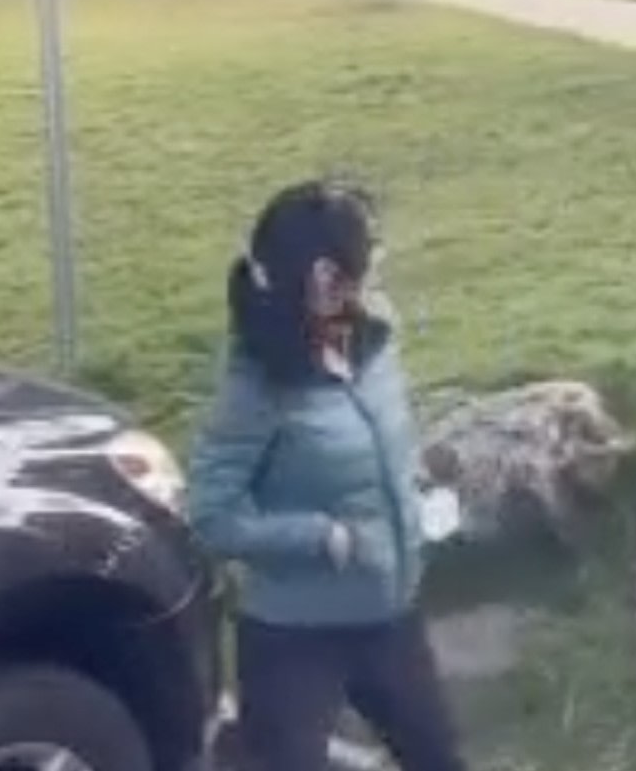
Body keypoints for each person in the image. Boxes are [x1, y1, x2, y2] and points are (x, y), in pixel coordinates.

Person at [186, 180, 467, 771]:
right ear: (322, 279)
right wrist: (320, 536)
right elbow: (211, 515)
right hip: (295, 637)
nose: (378, 270)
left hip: (391, 613)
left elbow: (379, 437)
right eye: (368, 259)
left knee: (439, 759)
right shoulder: (254, 385)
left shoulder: (375, 332)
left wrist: (415, 491)